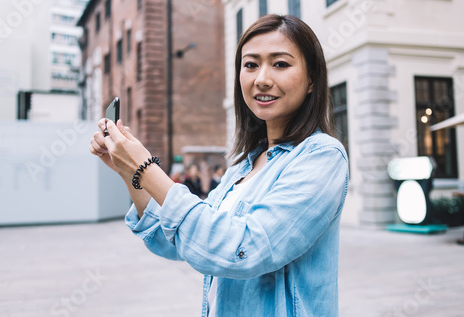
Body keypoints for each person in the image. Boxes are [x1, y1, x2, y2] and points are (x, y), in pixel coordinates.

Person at [89, 14, 348, 317]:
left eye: (280, 64)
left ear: (312, 81)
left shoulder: (322, 156)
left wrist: (146, 168)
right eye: (250, 64)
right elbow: (177, 238)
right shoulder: (243, 166)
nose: (262, 78)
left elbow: (240, 250)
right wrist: (129, 170)